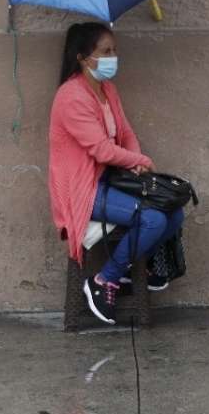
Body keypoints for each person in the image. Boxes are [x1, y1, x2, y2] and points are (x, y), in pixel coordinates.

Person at [48, 22, 184, 325]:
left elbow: (125, 134)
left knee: (172, 211)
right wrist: (138, 159)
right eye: (105, 52)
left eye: (114, 50)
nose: (113, 57)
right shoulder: (71, 97)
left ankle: (135, 269)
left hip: (111, 181)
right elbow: (99, 149)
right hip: (83, 191)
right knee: (152, 218)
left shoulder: (107, 90)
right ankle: (103, 281)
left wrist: (134, 163)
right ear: (84, 58)